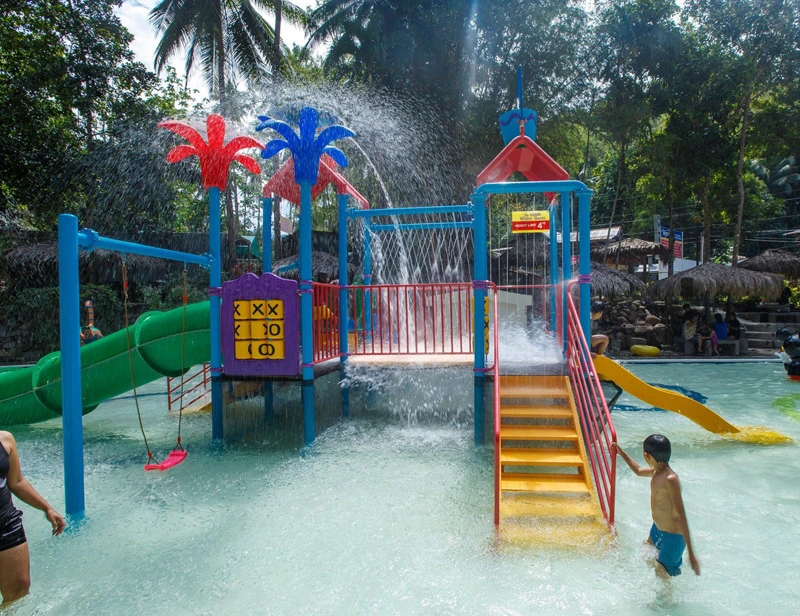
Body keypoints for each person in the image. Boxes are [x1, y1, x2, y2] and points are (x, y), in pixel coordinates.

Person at [612, 435, 700, 578]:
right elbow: (639, 470)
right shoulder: (656, 471)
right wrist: (622, 453)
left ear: (646, 455)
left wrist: (691, 553)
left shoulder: (670, 480)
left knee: (663, 578)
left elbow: (681, 515)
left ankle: (666, 601)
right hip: (657, 530)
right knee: (644, 554)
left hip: (673, 538)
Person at [0, 431, 65, 604]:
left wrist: (47, 508)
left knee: (19, 591)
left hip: (6, 525)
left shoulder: (5, 440)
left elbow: (17, 482)